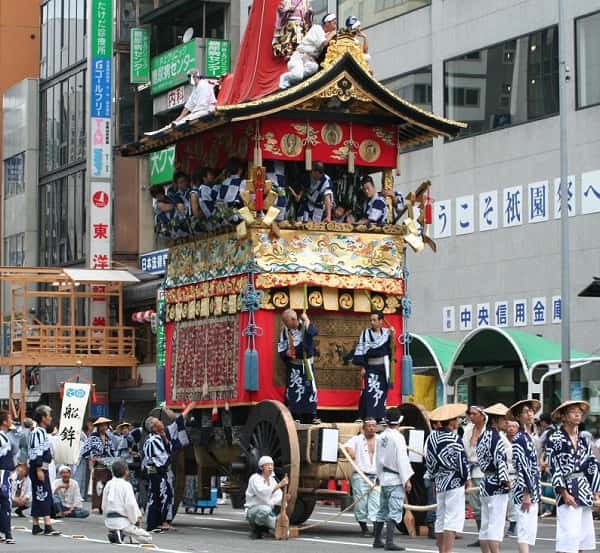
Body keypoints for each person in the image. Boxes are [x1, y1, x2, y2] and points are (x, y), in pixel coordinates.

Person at [546, 400, 600, 553]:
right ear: (563, 416)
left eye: (580, 412)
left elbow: (592, 464)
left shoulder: (583, 439)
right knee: (568, 536)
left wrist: (596, 490)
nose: (577, 414)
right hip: (567, 488)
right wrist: (563, 493)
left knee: (582, 537)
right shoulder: (556, 439)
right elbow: (554, 467)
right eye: (572, 411)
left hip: (584, 488)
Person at [143, 402, 196, 532]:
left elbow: (177, 422)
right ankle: (157, 522)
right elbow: (161, 459)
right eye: (158, 422)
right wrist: (169, 459)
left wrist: (188, 409)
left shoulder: (164, 434)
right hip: (157, 472)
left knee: (165, 495)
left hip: (164, 472)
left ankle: (161, 521)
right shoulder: (153, 440)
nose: (161, 422)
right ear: (154, 428)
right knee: (160, 495)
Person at [425, 403, 469, 553]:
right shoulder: (455, 439)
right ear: (451, 421)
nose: (458, 421)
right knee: (452, 519)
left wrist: (433, 479)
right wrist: (465, 479)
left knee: (441, 517)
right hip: (454, 481)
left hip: (439, 480)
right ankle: (447, 551)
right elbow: (462, 463)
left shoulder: (432, 438)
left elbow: (429, 461)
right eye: (456, 419)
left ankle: (441, 550)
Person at [374, 407, 413, 551]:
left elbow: (377, 458)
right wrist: (406, 479)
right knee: (394, 509)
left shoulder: (382, 436)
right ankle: (389, 541)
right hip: (396, 478)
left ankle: (377, 539)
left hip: (384, 477)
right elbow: (402, 460)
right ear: (400, 421)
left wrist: (378, 476)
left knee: (382, 509)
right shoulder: (398, 437)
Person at [476, 403, 511, 553]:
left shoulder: (483, 436)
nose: (507, 423)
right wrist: (506, 482)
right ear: (495, 420)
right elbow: (500, 462)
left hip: (485, 481)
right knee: (496, 524)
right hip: (497, 483)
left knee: (486, 524)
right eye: (504, 420)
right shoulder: (497, 438)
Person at [508, 400, 542, 553]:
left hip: (531, 486)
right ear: (518, 417)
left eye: (531, 411)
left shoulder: (527, 437)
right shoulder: (520, 438)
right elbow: (522, 467)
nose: (530, 414)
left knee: (528, 531)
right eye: (526, 412)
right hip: (525, 488)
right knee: (524, 530)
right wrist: (526, 493)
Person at [277, 308, 319, 423]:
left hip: (306, 365)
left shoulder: (305, 326)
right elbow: (281, 346)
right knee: (294, 390)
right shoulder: (285, 331)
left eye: (287, 322)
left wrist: (307, 320)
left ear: (293, 319)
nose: (286, 324)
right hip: (294, 365)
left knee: (309, 389)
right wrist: (286, 353)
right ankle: (295, 416)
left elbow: (314, 332)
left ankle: (311, 416)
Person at [352, 311, 393, 423]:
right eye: (371, 320)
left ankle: (380, 416)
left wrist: (392, 335)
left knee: (381, 392)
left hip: (383, 367)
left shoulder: (387, 333)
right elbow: (362, 351)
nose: (372, 322)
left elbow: (391, 350)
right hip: (370, 366)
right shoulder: (365, 334)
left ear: (381, 321)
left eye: (375, 320)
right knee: (368, 392)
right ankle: (366, 416)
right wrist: (363, 367)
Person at [279, 12, 337, 89]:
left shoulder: (325, 34)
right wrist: (333, 33)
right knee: (297, 76)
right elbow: (324, 43)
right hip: (300, 56)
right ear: (327, 23)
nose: (335, 24)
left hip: (309, 60)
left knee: (314, 67)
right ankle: (284, 78)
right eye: (334, 22)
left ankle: (295, 83)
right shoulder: (317, 28)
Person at [343, 417, 380, 536]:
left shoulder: (380, 440)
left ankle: (376, 528)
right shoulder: (357, 439)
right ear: (364, 428)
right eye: (369, 426)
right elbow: (345, 446)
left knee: (376, 502)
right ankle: (364, 528)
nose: (371, 428)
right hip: (360, 475)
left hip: (376, 476)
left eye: (373, 426)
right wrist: (350, 450)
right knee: (361, 503)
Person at [102, 459, 152, 544]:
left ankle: (116, 533)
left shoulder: (108, 484)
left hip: (109, 520)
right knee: (147, 537)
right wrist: (135, 519)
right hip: (122, 521)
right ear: (126, 472)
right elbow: (131, 505)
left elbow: (104, 505)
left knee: (130, 529)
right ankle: (122, 535)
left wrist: (106, 518)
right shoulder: (126, 485)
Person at [28, 405, 60, 536]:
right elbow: (37, 452)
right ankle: (47, 524)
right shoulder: (38, 432)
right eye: (48, 416)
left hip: (40, 467)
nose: (51, 418)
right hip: (39, 468)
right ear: (42, 418)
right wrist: (39, 468)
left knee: (38, 495)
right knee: (43, 494)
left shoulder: (40, 432)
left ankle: (36, 525)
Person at [244, 455, 289, 539]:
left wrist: (284, 499)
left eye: (272, 465)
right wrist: (279, 485)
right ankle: (256, 530)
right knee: (265, 509)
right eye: (267, 465)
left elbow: (277, 497)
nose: (270, 467)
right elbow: (263, 492)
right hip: (253, 511)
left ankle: (264, 527)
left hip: (267, 512)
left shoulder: (272, 480)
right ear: (261, 467)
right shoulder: (255, 478)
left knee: (285, 532)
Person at [80, 416, 115, 513]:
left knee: (108, 486)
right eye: (102, 425)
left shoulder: (109, 438)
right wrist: (92, 457)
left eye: (106, 425)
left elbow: (112, 451)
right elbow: (84, 451)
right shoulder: (93, 437)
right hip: (98, 464)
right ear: (98, 426)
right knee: (98, 486)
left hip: (109, 464)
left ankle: (105, 506)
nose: (104, 427)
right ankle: (96, 506)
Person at [463, 404, 486, 547]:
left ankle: (489, 535)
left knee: (488, 505)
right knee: (476, 507)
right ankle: (481, 535)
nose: (471, 416)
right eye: (470, 414)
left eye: (474, 414)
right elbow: (464, 452)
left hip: (486, 472)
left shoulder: (489, 431)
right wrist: (467, 477)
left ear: (482, 416)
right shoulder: (467, 430)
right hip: (472, 469)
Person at [0, 410, 15, 543]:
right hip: (2, 472)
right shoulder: (1, 437)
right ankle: (7, 532)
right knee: (5, 500)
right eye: (9, 419)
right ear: (4, 421)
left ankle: (5, 531)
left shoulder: (5, 435)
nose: (11, 421)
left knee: (4, 501)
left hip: (5, 471)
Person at [216, 158, 246, 224]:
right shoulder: (243, 182)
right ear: (240, 169)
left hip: (225, 217)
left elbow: (218, 200)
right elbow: (245, 198)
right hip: (239, 217)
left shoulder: (224, 182)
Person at [503, 420, 519, 536]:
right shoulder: (501, 440)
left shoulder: (520, 441)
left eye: (514, 427)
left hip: (515, 475)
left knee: (513, 502)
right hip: (502, 474)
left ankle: (512, 527)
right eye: (509, 426)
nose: (511, 429)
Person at [73, 417, 95, 503]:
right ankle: (79, 495)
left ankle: (83, 495)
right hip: (80, 458)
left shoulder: (89, 434)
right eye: (91, 425)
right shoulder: (81, 434)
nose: (92, 427)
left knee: (85, 477)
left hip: (86, 459)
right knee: (79, 476)